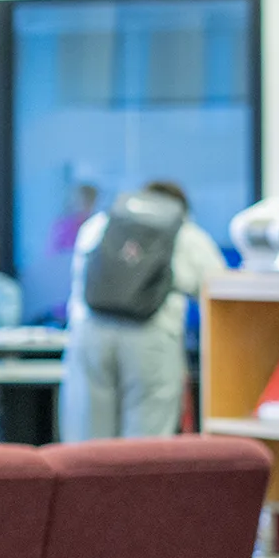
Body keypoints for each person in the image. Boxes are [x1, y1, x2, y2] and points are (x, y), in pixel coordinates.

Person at [60, 178, 226, 441]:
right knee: (144, 449)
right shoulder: (186, 232)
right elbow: (220, 289)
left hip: (90, 334)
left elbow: (79, 280)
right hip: (151, 338)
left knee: (85, 444)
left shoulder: (100, 223)